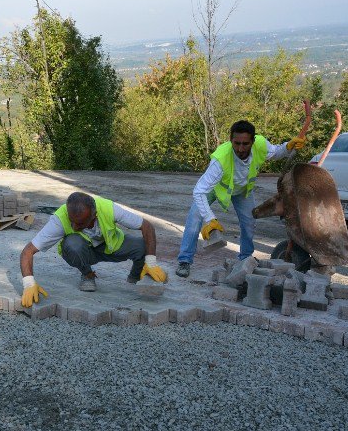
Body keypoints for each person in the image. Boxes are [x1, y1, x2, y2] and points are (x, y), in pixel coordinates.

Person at [175, 120, 305, 278]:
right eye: (236, 143)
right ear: (231, 140)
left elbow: (276, 152)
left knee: (249, 223)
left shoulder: (260, 145)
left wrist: (288, 147)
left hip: (242, 190)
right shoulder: (220, 159)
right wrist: (210, 219)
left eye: (245, 144)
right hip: (217, 189)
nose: (240, 149)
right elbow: (199, 191)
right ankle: (185, 261)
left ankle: (245, 258)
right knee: (194, 218)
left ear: (253, 141)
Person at [19, 191, 167, 308]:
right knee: (71, 245)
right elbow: (27, 251)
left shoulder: (109, 208)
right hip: (84, 252)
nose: (75, 227)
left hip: (112, 247)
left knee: (141, 246)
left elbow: (147, 226)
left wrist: (151, 262)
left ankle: (138, 276)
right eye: (72, 222)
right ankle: (87, 274)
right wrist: (29, 283)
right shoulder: (59, 219)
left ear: (94, 215)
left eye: (81, 223)